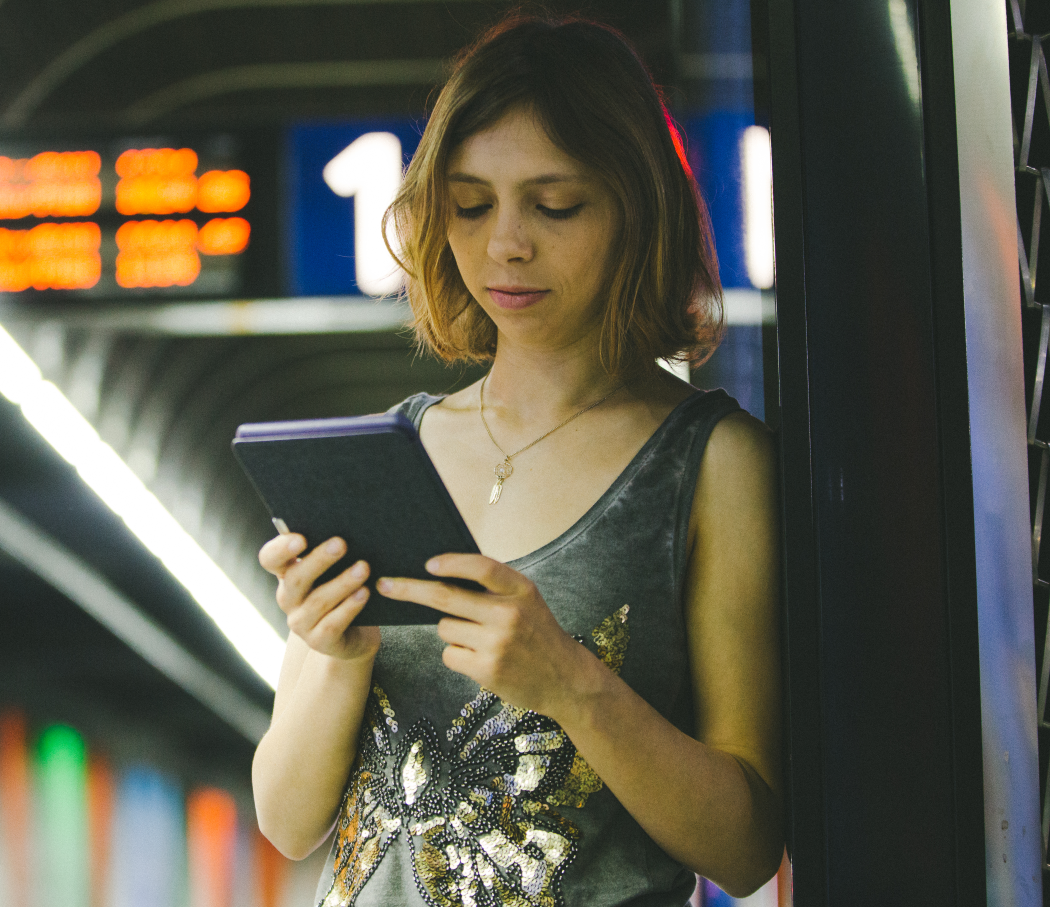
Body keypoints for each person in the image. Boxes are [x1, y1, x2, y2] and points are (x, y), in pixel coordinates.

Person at [251, 14, 783, 906]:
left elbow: (746, 846)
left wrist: (572, 684)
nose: (506, 243)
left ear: (635, 208)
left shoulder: (710, 464)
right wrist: (335, 648)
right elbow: (287, 819)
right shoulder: (395, 451)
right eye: (470, 204)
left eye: (556, 204)